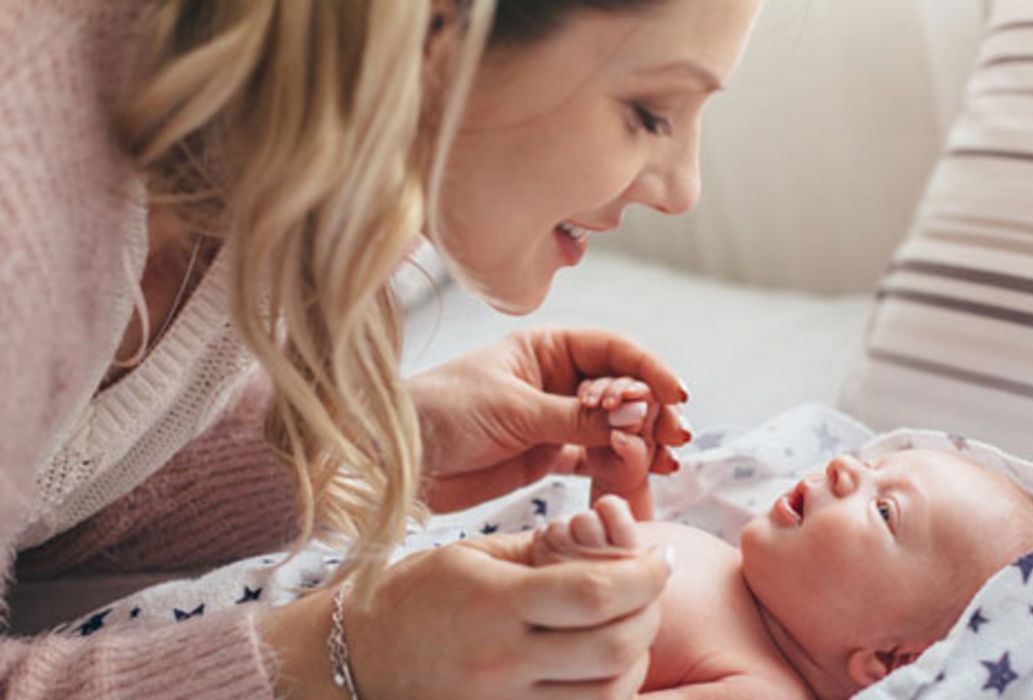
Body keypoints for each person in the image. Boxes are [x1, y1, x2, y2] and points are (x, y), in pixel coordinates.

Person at [0, 0, 762, 698]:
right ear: (437, 26)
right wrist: (335, 659)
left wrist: (375, 440)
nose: (682, 189)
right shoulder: (21, 196)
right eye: (652, 112)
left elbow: (52, 488)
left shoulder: (266, 162)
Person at [533, 383, 1033, 698]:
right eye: (872, 465)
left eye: (884, 509)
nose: (843, 467)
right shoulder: (732, 569)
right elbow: (642, 556)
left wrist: (570, 592)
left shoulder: (762, 688)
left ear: (887, 661)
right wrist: (621, 485)